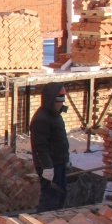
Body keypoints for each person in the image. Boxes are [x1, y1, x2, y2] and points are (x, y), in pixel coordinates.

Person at [30, 82, 69, 212]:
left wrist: (65, 158)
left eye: (63, 98)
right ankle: (43, 221)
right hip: (50, 165)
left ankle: (55, 220)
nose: (61, 103)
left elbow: (60, 140)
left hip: (58, 162)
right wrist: (47, 167)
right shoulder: (41, 119)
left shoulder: (55, 115)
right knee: (50, 199)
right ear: (51, 99)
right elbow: (40, 146)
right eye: (59, 99)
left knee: (60, 195)